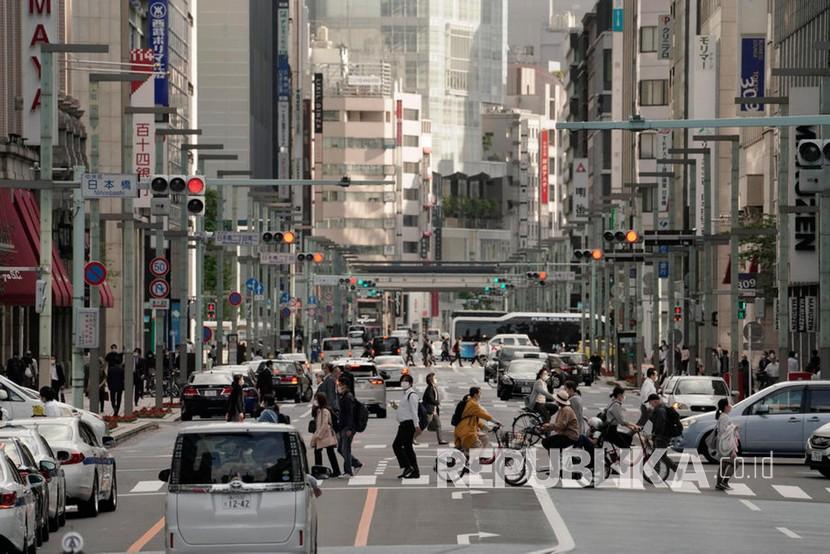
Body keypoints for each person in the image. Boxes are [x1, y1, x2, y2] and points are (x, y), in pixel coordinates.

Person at [393, 374, 421, 479]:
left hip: (409, 424)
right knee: (407, 448)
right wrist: (396, 407)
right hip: (403, 424)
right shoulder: (405, 394)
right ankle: (412, 469)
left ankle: (409, 467)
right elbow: (405, 409)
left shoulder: (412, 395)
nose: (403, 383)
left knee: (398, 446)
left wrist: (416, 425)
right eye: (402, 381)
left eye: (406, 381)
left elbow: (414, 411)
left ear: (410, 383)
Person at [453, 386, 498, 451]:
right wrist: (497, 422)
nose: (480, 396)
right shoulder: (472, 404)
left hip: (468, 431)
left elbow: (477, 422)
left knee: (484, 438)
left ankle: (479, 458)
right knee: (477, 446)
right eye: (479, 393)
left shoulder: (471, 402)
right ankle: (473, 459)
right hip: (466, 432)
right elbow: (485, 415)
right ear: (475, 395)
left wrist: (489, 429)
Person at [336, 379, 363, 477]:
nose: (339, 387)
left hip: (348, 427)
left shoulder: (348, 397)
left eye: (341, 385)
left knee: (345, 449)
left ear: (346, 386)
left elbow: (350, 415)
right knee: (340, 449)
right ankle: (356, 463)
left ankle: (348, 471)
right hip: (343, 426)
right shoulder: (343, 396)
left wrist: (350, 429)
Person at [310, 393, 341, 477]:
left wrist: (318, 436)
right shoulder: (318, 410)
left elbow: (324, 424)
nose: (315, 401)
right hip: (322, 434)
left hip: (324, 435)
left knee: (326, 452)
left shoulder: (325, 411)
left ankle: (332, 471)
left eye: (316, 399)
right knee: (323, 452)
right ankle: (325, 470)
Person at [645, 393, 678, 474]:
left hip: (662, 436)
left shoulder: (660, 410)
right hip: (662, 436)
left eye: (650, 402)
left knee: (657, 455)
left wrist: (655, 433)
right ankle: (674, 468)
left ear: (655, 401)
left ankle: (656, 472)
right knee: (659, 454)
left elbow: (660, 424)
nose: (650, 404)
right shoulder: (660, 408)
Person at [715, 398, 739, 491]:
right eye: (729, 404)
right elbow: (726, 432)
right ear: (725, 407)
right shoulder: (725, 417)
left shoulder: (722, 416)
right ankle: (724, 482)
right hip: (726, 445)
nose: (730, 406)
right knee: (735, 463)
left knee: (724, 464)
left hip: (722, 444)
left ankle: (719, 483)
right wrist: (734, 428)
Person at [422, 372, 448, 445]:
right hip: (430, 410)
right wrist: (437, 402)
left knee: (438, 425)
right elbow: (430, 399)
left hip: (434, 410)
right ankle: (413, 437)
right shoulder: (429, 388)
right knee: (424, 424)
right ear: (431, 380)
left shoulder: (434, 387)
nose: (436, 379)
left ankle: (440, 440)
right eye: (435, 378)